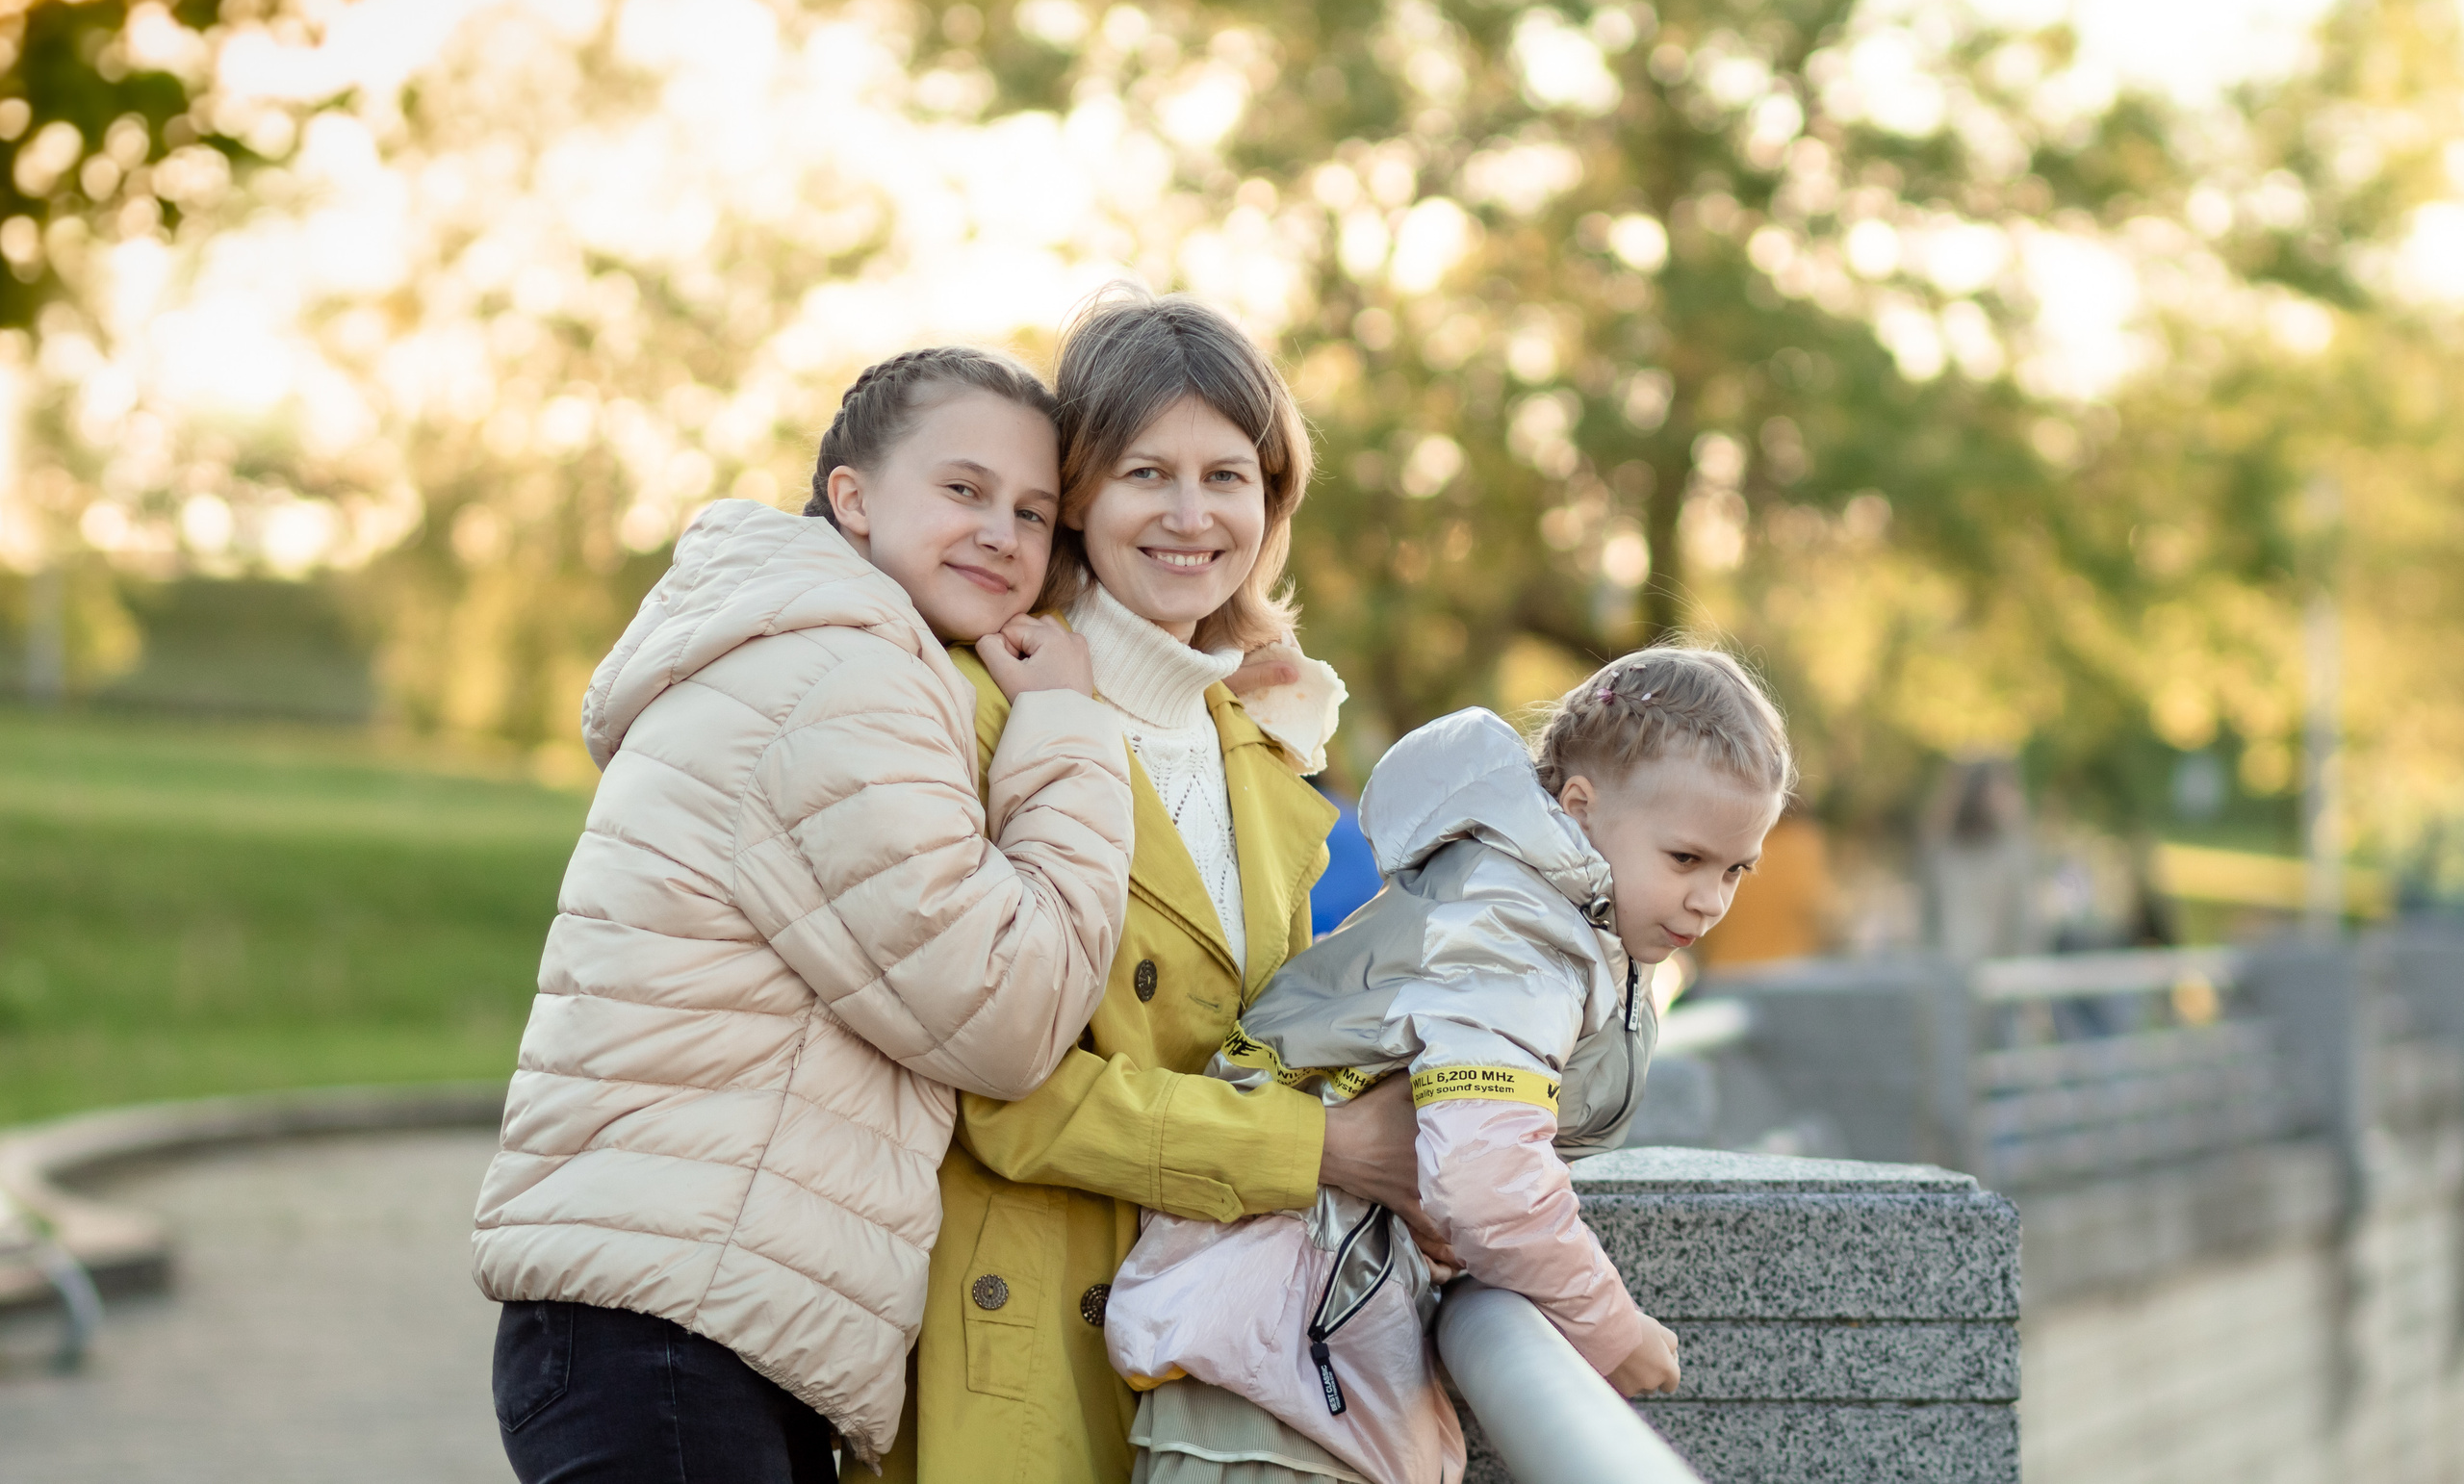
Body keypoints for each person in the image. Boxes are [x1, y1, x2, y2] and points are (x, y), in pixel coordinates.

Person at [474, 345, 1138, 1482]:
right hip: (673, 1334)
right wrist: (1069, 735)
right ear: (852, 497)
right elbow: (1007, 1008)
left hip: (693, 1326)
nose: (1002, 533)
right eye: (963, 490)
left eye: (1032, 513)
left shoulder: (809, 648)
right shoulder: (840, 676)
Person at [881, 288, 1422, 1484]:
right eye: (1144, 473)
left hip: (1212, 1356)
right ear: (1076, 495)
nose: (1191, 516)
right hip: (1016, 1332)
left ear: (1272, 501)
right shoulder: (972, 711)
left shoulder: (1265, 761)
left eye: (1228, 476)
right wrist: (1320, 1149)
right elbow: (1002, 1094)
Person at [1104, 646, 1797, 1484]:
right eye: (1685, 858)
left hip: (1296, 1351)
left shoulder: (1537, 916)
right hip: (1272, 1368)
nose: (1710, 899)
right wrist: (1613, 1329)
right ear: (1580, 808)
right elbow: (1483, 1178)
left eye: (1736, 869)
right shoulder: (1516, 938)